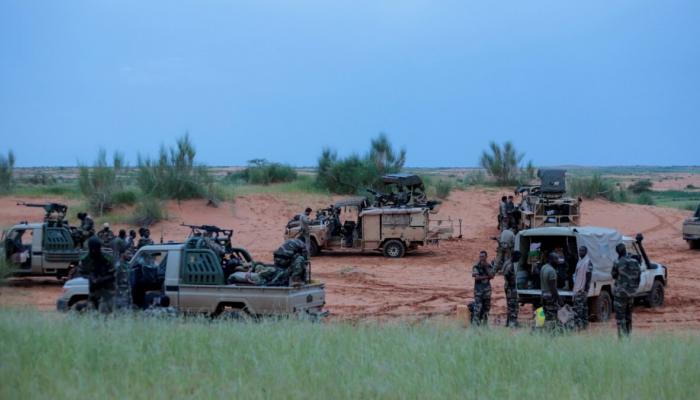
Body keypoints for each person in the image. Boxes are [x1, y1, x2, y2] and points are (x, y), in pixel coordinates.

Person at [77, 236, 116, 314]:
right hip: (93, 292)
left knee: (104, 312)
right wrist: (90, 277)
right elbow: (80, 272)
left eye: (96, 249)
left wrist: (102, 279)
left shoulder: (107, 258)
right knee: (91, 312)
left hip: (107, 292)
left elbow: (114, 274)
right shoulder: (85, 259)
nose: (94, 251)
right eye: (92, 249)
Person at [611, 243, 641, 338]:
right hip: (631, 294)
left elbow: (613, 275)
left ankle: (622, 339)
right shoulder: (635, 262)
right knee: (628, 317)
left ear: (618, 252)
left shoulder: (617, 262)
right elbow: (638, 276)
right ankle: (628, 337)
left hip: (620, 295)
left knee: (620, 318)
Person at [540, 252, 562, 332]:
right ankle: (550, 333)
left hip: (543, 294)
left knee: (543, 314)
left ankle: (539, 330)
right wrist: (558, 298)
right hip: (550, 296)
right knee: (551, 317)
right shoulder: (552, 271)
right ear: (551, 259)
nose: (558, 260)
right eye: (556, 259)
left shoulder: (544, 267)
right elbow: (553, 287)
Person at [572, 246, 593, 330]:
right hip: (577, 288)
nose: (580, 252)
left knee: (579, 308)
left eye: (582, 251)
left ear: (586, 251)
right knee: (583, 307)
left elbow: (588, 276)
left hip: (582, 289)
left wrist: (586, 289)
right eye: (579, 250)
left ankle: (580, 326)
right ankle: (584, 325)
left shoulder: (588, 261)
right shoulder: (580, 261)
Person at [471, 250, 494, 326]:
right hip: (478, 291)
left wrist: (486, 268)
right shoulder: (476, 266)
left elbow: (492, 276)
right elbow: (476, 278)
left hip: (487, 291)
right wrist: (487, 277)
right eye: (480, 256)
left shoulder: (489, 265)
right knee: (477, 308)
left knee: (486, 308)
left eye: (483, 256)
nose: (481, 258)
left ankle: (485, 324)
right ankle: (475, 325)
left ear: (486, 257)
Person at [503, 251, 521, 328]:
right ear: (515, 257)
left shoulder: (507, 262)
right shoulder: (510, 265)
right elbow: (507, 275)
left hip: (508, 287)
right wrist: (512, 283)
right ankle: (512, 323)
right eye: (518, 258)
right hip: (510, 288)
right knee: (514, 306)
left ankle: (508, 323)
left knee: (510, 305)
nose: (518, 260)